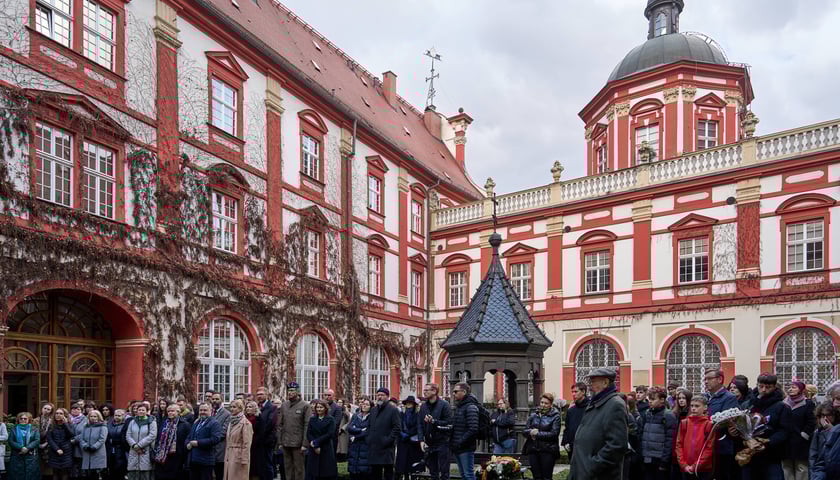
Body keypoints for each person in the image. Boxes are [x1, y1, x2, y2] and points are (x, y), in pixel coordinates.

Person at [568, 368, 628, 480]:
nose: (590, 386)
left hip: (597, 475)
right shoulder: (597, 402)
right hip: (584, 472)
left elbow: (616, 445)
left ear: (605, 382)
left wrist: (591, 466)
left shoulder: (615, 404)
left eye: (593, 381)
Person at [736, 373, 790, 480]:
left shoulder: (782, 407)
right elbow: (739, 426)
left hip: (771, 456)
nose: (764, 390)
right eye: (761, 386)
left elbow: (785, 431)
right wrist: (743, 439)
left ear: (774, 387)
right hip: (749, 455)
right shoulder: (748, 404)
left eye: (768, 387)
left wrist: (767, 441)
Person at [704, 369, 740, 480]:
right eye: (705, 379)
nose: (706, 382)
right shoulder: (704, 397)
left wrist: (709, 424)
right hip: (706, 444)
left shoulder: (729, 398)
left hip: (721, 446)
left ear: (720, 379)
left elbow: (726, 421)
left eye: (709, 379)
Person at [639, 386, 678, 480]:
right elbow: (641, 434)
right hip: (646, 457)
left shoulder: (668, 416)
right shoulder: (647, 413)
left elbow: (670, 440)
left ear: (662, 400)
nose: (650, 401)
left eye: (653, 399)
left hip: (659, 459)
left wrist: (664, 461)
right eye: (649, 399)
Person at [417, 383, 452, 480]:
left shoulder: (444, 405)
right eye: (424, 390)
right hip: (429, 443)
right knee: (433, 472)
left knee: (444, 472)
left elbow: (449, 423)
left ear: (434, 391)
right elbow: (419, 424)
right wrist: (421, 440)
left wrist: (434, 421)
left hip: (442, 442)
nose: (424, 392)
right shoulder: (423, 406)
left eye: (427, 390)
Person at [782, 380, 815, 480]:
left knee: (801, 467)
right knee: (786, 467)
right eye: (790, 387)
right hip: (786, 441)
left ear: (801, 390)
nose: (790, 389)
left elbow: (811, 421)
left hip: (800, 441)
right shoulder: (784, 403)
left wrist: (804, 434)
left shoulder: (808, 403)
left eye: (794, 387)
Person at [675, 396, 714, 480]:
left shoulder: (708, 425)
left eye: (697, 406)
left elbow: (709, 448)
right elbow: (679, 444)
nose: (693, 408)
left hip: (703, 469)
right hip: (685, 467)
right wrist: (683, 464)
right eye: (692, 406)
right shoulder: (684, 423)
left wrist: (695, 466)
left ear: (705, 407)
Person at [525, 392, 562, 480]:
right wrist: (531, 432)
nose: (543, 405)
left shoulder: (555, 416)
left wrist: (537, 434)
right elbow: (525, 431)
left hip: (548, 450)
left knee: (546, 477)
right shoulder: (534, 415)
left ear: (551, 404)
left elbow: (554, 434)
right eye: (542, 402)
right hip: (533, 450)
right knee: (536, 477)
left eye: (546, 403)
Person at [278, 382, 311, 480]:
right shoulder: (284, 405)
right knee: (287, 468)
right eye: (288, 390)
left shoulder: (305, 406)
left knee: (299, 469)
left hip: (298, 443)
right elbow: (280, 425)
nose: (289, 392)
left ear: (297, 392)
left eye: (292, 390)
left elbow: (307, 425)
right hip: (285, 442)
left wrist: (305, 444)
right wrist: (280, 442)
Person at [368, 387, 401, 480]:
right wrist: (369, 438)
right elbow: (369, 426)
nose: (379, 397)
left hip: (386, 448)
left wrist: (388, 440)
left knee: (388, 474)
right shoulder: (373, 410)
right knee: (375, 473)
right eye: (378, 395)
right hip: (374, 447)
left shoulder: (393, 410)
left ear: (387, 397)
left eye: (382, 395)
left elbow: (397, 428)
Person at [186, 402, 224, 480]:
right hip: (193, 460)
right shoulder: (197, 422)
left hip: (206, 461)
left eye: (205, 410)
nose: (202, 412)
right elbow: (189, 436)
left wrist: (198, 443)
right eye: (201, 410)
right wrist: (187, 444)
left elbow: (216, 439)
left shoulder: (214, 423)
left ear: (211, 410)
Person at [450, 383, 479, 480]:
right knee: (463, 475)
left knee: (468, 475)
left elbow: (473, 429)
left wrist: (460, 441)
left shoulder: (471, 407)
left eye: (456, 391)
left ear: (464, 392)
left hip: (466, 447)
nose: (453, 394)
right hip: (458, 447)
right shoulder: (460, 406)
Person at [154, 404, 190, 480]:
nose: (170, 413)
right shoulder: (164, 423)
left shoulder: (185, 424)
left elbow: (187, 440)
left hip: (177, 457)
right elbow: (159, 437)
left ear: (178, 412)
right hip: (163, 457)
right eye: (168, 411)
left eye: (172, 411)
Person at [305, 399, 338, 480]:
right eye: (317, 407)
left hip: (325, 448)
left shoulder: (330, 419)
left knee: (325, 472)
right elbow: (309, 433)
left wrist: (317, 442)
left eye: (321, 407)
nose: (319, 409)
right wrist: (314, 445)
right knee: (313, 472)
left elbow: (330, 434)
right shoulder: (312, 419)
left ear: (325, 408)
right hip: (314, 449)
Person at [125, 402, 157, 480]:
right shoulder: (132, 422)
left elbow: (152, 435)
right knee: (132, 473)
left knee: (144, 473)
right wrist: (134, 445)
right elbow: (128, 435)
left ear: (147, 411)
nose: (141, 411)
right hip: (133, 450)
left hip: (145, 450)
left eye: (143, 410)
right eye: (139, 410)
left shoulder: (152, 422)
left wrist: (139, 445)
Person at [224, 399, 254, 480]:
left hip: (239, 456)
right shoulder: (231, 422)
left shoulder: (245, 423)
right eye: (231, 407)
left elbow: (247, 444)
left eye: (234, 407)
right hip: (229, 454)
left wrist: (244, 460)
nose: (231, 409)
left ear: (240, 408)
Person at [810, 401, 840, 480]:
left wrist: (831, 430)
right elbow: (813, 454)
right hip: (820, 471)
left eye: (829, 415)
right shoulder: (818, 432)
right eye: (823, 415)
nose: (825, 418)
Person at [395, 396, 423, 480]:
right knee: (403, 465)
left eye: (410, 403)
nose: (408, 405)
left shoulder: (417, 414)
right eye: (407, 403)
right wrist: (401, 433)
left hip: (412, 443)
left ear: (414, 404)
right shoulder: (401, 414)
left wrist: (408, 434)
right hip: (402, 442)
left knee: (412, 465)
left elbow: (418, 426)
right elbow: (398, 425)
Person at [10, 411, 40, 479]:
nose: (23, 420)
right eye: (21, 418)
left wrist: (27, 448)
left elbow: (37, 440)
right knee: (17, 475)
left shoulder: (34, 429)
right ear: (18, 419)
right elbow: (11, 441)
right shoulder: (13, 429)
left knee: (31, 475)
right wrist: (21, 448)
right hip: (17, 455)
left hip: (31, 456)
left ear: (29, 419)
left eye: (25, 418)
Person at [561, 382, 589, 457]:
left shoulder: (590, 408)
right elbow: (567, 428)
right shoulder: (571, 410)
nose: (573, 394)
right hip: (571, 449)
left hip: (585, 448)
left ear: (583, 392)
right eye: (572, 392)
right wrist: (565, 443)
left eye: (576, 392)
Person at [79, 409, 108, 480]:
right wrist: (85, 446)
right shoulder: (85, 426)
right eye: (91, 416)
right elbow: (81, 438)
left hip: (97, 452)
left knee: (96, 473)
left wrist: (94, 447)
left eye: (95, 416)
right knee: (88, 473)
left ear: (99, 417)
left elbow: (102, 439)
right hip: (87, 451)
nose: (93, 418)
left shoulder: (103, 426)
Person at [347, 397, 372, 480]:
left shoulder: (372, 418)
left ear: (371, 407)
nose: (364, 406)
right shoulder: (355, 416)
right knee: (354, 471)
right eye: (363, 404)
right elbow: (350, 428)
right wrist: (360, 430)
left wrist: (355, 435)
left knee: (364, 472)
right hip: (354, 447)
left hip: (365, 447)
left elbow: (368, 432)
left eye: (367, 405)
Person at [48, 408, 75, 480]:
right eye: (56, 413)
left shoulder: (69, 424)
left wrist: (65, 424)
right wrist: (57, 449)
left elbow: (71, 435)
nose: (58, 415)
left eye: (61, 413)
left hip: (66, 452)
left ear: (65, 415)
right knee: (55, 472)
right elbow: (49, 439)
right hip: (54, 451)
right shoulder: (51, 425)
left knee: (64, 472)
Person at [211, 391, 233, 480]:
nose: (214, 401)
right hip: (208, 450)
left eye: (217, 399)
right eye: (213, 399)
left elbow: (224, 431)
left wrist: (210, 439)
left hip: (219, 449)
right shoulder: (209, 412)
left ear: (222, 400)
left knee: (219, 474)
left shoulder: (227, 414)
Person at [106, 409, 128, 480]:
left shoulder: (125, 425)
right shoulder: (109, 424)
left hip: (121, 448)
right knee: (111, 467)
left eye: (119, 415)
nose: (117, 417)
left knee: (120, 467)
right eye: (115, 415)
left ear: (123, 416)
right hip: (110, 448)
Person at [35, 402, 55, 478]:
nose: (46, 410)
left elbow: (53, 435)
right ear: (42, 409)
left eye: (48, 409)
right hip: (37, 444)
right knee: (38, 465)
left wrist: (46, 443)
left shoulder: (52, 421)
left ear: (51, 411)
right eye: (45, 408)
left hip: (48, 445)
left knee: (48, 467)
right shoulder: (36, 420)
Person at [68, 403, 88, 478]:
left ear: (82, 411)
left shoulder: (85, 419)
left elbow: (85, 432)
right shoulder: (67, 419)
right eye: (73, 409)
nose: (75, 410)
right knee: (70, 468)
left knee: (80, 467)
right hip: (68, 446)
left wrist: (74, 440)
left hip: (79, 447)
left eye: (78, 409)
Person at [245, 401, 262, 480]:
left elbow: (260, 433)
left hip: (255, 446)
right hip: (246, 446)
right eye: (247, 407)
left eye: (250, 407)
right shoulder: (244, 418)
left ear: (255, 408)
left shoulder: (259, 418)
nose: (248, 408)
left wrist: (252, 441)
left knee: (255, 468)